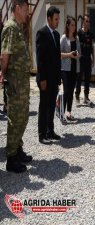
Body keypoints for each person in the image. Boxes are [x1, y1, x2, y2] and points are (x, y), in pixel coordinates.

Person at [0, 0, 32, 173]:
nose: (27, 13)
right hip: (15, 83)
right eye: (26, 9)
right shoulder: (10, 27)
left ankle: (18, 148)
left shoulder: (19, 27)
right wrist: (4, 74)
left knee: (23, 117)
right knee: (15, 118)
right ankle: (11, 158)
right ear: (17, 9)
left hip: (23, 82)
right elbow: (5, 55)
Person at [36, 6, 61, 144]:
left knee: (51, 105)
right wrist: (42, 78)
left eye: (58, 19)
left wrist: (58, 77)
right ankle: (41, 135)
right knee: (43, 106)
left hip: (54, 78)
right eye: (56, 19)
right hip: (45, 79)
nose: (58, 21)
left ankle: (50, 131)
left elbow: (57, 58)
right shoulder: (41, 33)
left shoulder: (56, 35)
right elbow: (40, 59)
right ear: (49, 18)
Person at [60, 16, 81, 122]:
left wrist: (77, 55)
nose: (74, 27)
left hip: (74, 68)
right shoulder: (64, 38)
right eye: (72, 25)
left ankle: (69, 112)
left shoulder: (76, 38)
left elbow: (79, 53)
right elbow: (58, 54)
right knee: (66, 91)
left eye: (74, 25)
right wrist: (69, 55)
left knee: (71, 91)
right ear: (68, 26)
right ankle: (61, 113)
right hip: (65, 69)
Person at [75, 14, 95, 106]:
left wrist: (93, 58)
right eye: (86, 21)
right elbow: (75, 45)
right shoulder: (79, 32)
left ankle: (86, 97)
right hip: (80, 59)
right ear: (83, 21)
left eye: (89, 21)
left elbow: (92, 47)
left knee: (88, 79)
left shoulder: (90, 34)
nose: (88, 23)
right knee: (79, 78)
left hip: (88, 59)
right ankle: (77, 96)